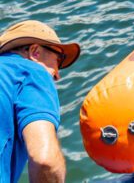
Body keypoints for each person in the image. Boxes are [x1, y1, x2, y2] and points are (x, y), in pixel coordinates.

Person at [0, 20, 81, 183]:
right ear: (35, 52)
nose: (57, 75)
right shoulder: (29, 70)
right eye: (59, 59)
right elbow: (45, 161)